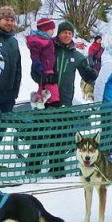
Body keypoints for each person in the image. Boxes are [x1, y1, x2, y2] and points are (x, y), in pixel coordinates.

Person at [26, 20, 98, 176]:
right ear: (58, 33)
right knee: (39, 133)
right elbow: (34, 69)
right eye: (64, 32)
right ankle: (32, 168)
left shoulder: (77, 56)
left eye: (70, 33)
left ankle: (57, 169)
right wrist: (40, 76)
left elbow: (87, 74)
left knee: (60, 137)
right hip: (45, 98)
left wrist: (92, 74)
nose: (67, 35)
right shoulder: (48, 48)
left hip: (64, 100)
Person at [0, 6, 21, 114]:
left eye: (12, 20)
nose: (9, 23)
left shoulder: (14, 41)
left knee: (2, 127)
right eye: (6, 20)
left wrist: (15, 91)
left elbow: (18, 67)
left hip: (9, 93)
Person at [26, 18, 60, 107]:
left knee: (47, 88)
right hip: (44, 70)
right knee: (50, 88)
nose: (53, 32)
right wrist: (37, 64)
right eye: (51, 29)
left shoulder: (47, 39)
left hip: (49, 69)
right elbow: (34, 55)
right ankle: (51, 103)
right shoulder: (38, 41)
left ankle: (43, 101)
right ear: (44, 29)